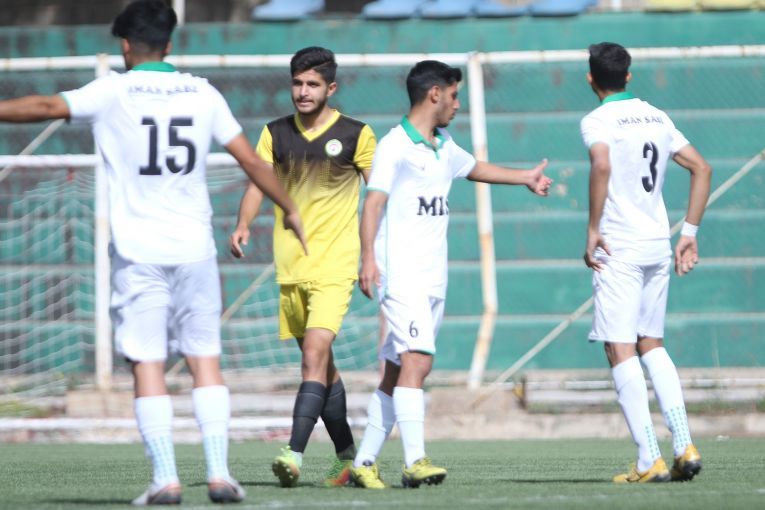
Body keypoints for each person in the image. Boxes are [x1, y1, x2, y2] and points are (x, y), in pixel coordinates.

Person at [0, 1, 307, 505]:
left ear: (125, 45)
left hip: (139, 252)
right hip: (194, 249)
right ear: (169, 43)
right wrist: (289, 208)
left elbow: (46, 106)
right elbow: (251, 161)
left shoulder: (111, 91)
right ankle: (219, 475)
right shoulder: (202, 92)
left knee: (147, 363)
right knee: (204, 359)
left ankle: (166, 479)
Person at [349, 60, 552, 489]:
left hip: (432, 278)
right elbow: (373, 203)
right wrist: (367, 258)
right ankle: (415, 460)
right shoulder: (394, 146)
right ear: (434, 94)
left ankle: (363, 462)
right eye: (455, 96)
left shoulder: (442, 144)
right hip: (401, 273)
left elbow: (475, 168)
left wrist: (525, 178)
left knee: (396, 371)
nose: (458, 104)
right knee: (418, 361)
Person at [229, 46, 376, 488]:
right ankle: (348, 459)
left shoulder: (356, 134)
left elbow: (380, 194)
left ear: (331, 88)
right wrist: (243, 224)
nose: (303, 91)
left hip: (336, 265)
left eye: (313, 84)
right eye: (297, 83)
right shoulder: (274, 133)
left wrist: (373, 253)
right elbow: (258, 184)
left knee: (313, 356)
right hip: (291, 269)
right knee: (322, 367)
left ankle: (292, 455)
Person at [581, 42, 711, 483]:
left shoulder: (598, 120)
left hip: (620, 246)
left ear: (591, 78)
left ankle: (648, 459)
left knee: (619, 347)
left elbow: (601, 165)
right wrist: (688, 233)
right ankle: (684, 444)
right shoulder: (657, 116)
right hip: (657, 243)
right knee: (651, 343)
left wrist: (593, 227)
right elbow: (702, 168)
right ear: (629, 76)